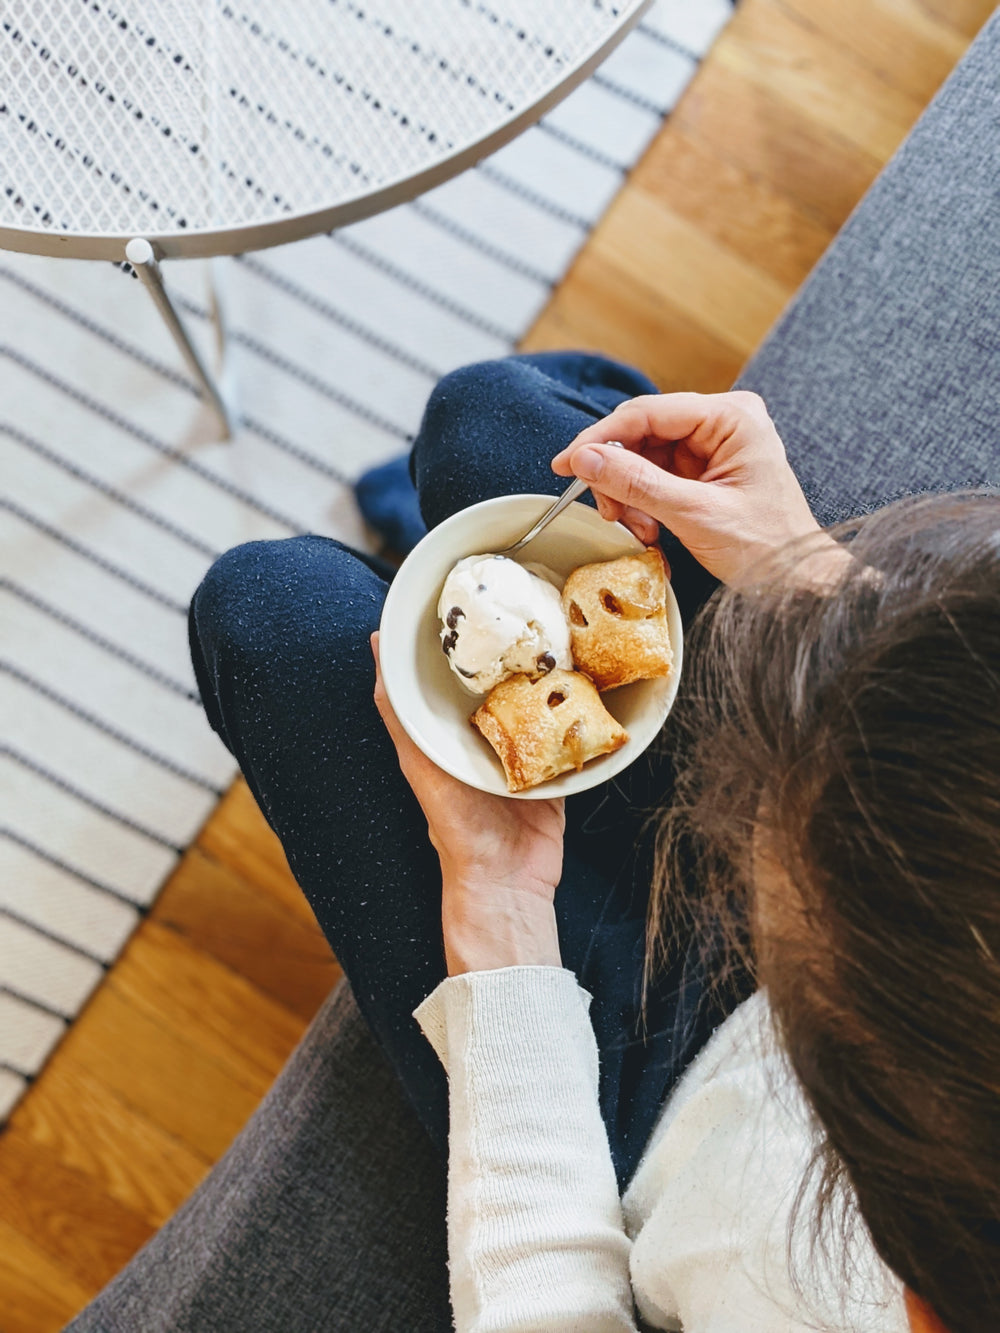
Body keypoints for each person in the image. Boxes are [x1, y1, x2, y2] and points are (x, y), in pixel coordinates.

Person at [186, 351, 998, 1333]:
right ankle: (440, 565)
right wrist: (820, 593)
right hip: (889, 880)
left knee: (276, 615)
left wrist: (496, 907)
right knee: (488, 422)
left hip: (648, 1124)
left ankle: (415, 565)